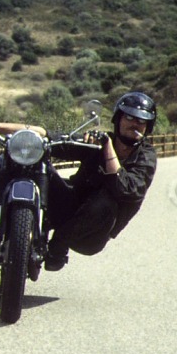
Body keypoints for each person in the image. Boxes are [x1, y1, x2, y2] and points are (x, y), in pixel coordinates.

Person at [43, 91, 158, 270]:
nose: (135, 123)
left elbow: (125, 189)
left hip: (91, 234)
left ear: (148, 127)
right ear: (118, 119)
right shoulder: (97, 141)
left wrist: (107, 147)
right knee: (38, 165)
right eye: (129, 117)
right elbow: (51, 138)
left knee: (105, 201)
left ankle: (59, 242)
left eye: (142, 121)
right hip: (69, 211)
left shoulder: (146, 156)